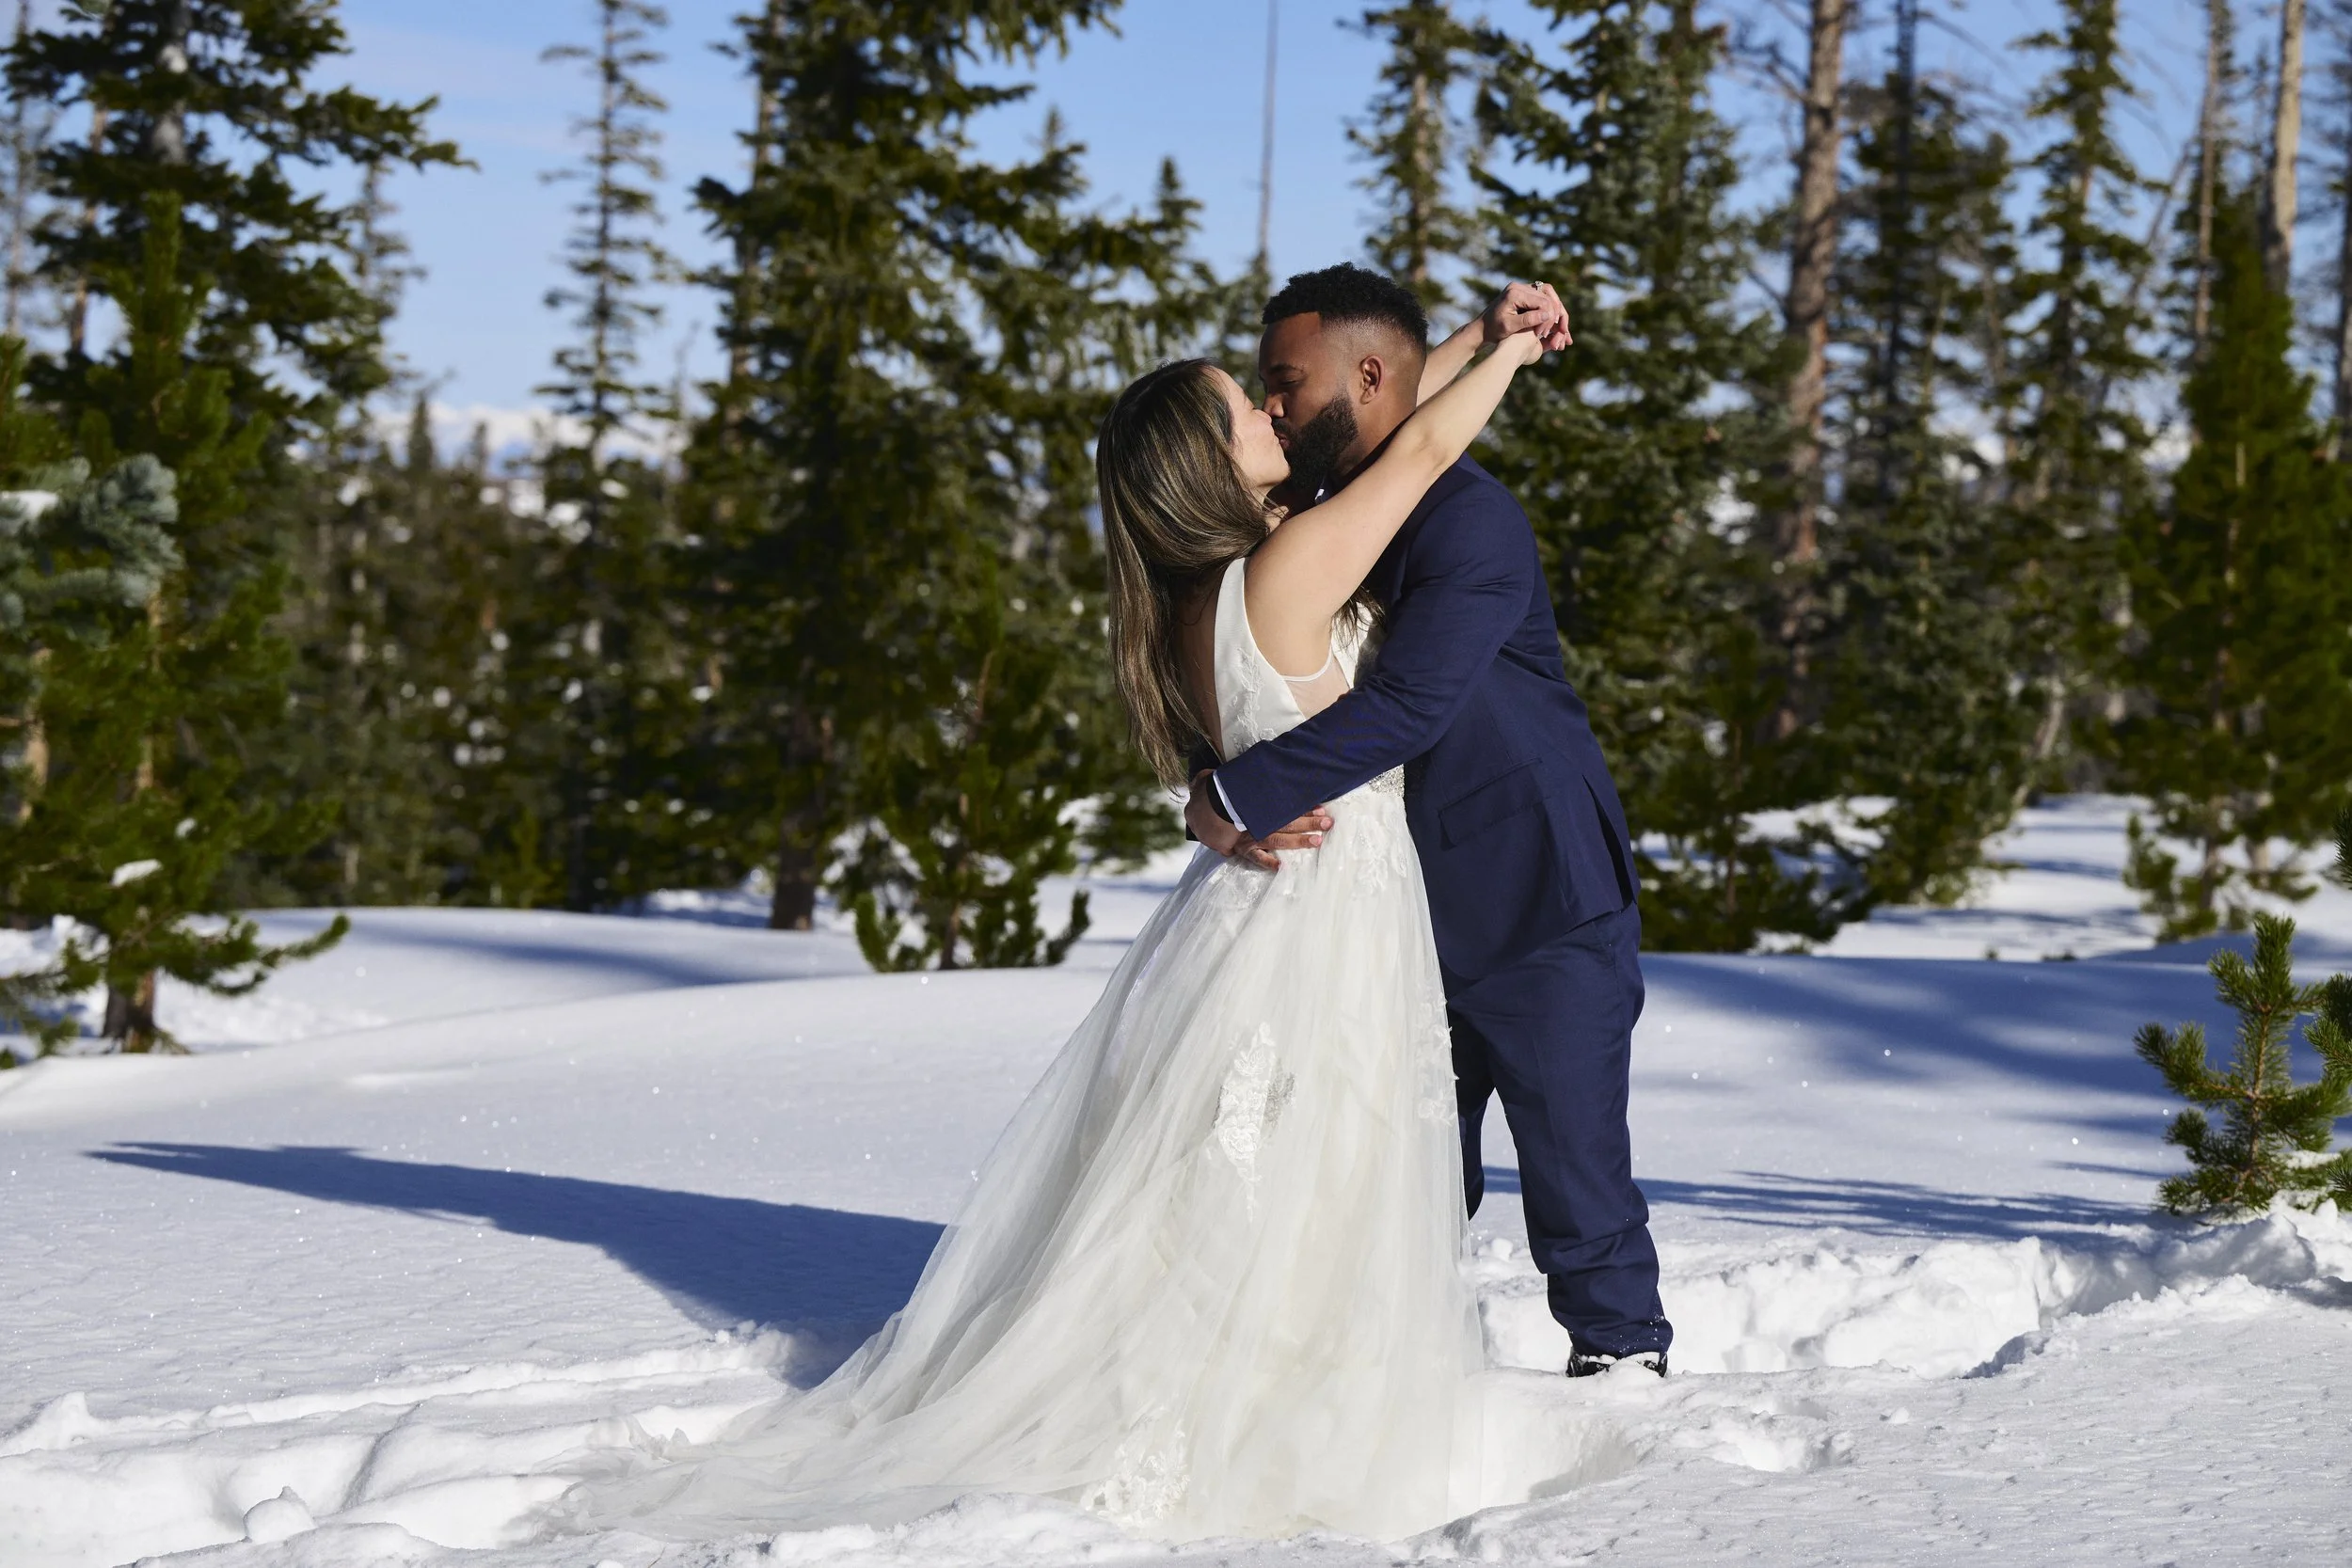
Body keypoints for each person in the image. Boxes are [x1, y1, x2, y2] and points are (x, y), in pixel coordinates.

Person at [571, 281, 1589, 1544]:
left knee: (1239, 1172)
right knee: (1315, 1159)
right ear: (1215, 471)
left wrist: (1469, 341)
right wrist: (1514, 353)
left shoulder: (1191, 602)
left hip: (1254, 911)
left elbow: (1375, 408)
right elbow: (1417, 444)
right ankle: (1269, 1416)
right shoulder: (1286, 565)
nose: (1276, 409)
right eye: (1249, 409)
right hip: (1330, 914)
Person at [1188, 265, 1672, 1379]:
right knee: (1401, 1182)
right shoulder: (1327, 510)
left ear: (1363, 377)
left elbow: (1406, 707)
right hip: (1393, 916)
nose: (1269, 407)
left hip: (1536, 896)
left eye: (1283, 383)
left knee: (1576, 1179)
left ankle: (1626, 1377)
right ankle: (1375, 1387)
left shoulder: (1470, 519)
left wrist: (1233, 798)